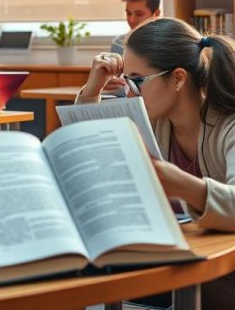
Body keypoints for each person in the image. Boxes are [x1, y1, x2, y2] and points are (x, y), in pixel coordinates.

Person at [76, 17, 235, 305]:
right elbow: (86, 144)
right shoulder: (156, 119)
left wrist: (185, 186)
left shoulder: (229, 124)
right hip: (195, 259)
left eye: (136, 80)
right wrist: (92, 90)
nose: (128, 91)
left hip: (224, 270)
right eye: (126, 80)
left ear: (177, 79)